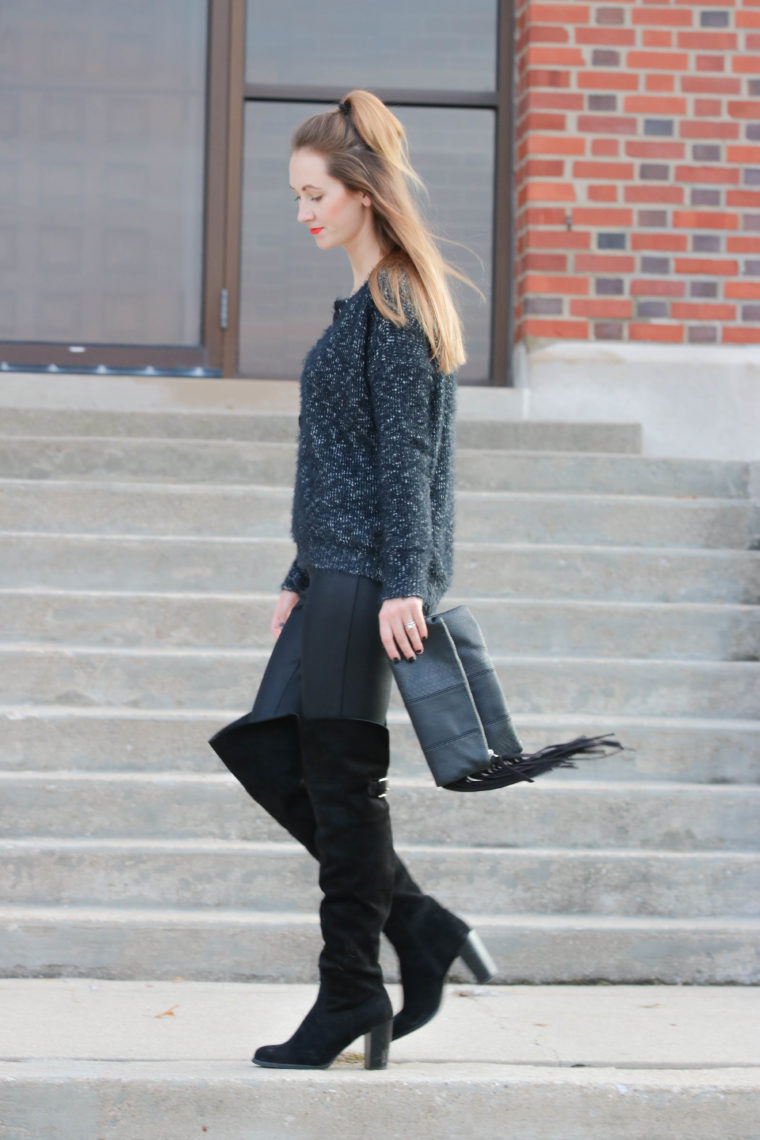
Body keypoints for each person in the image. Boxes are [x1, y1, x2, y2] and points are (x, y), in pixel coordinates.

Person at [209, 89, 494, 1072]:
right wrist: (297, 567)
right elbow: (341, 453)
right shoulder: (365, 305)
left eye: (312, 194)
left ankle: (352, 993)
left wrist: (405, 584)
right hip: (329, 570)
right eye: (295, 196)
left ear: (360, 193)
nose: (302, 213)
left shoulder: (397, 307)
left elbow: (404, 462)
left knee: (339, 784)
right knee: (269, 752)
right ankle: (416, 926)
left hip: (368, 576)